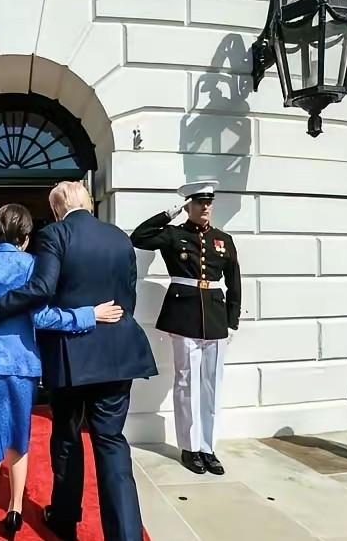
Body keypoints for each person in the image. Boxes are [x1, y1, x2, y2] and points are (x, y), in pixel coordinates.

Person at [0, 182, 157, 541]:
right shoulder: (120, 237)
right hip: (118, 352)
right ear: (87, 202)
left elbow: (41, 289)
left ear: (57, 210)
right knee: (112, 442)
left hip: (71, 355)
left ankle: (65, 517)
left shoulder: (55, 234)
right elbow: (128, 297)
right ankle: (126, 535)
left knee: (68, 439)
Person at [129, 180, 241, 476]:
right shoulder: (173, 235)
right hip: (184, 315)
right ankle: (190, 448)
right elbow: (139, 237)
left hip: (215, 317)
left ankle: (208, 448)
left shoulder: (223, 239)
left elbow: (234, 281)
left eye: (209, 202)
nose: (205, 207)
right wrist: (168, 214)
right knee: (186, 383)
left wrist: (232, 320)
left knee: (212, 385)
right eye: (199, 202)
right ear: (188, 205)